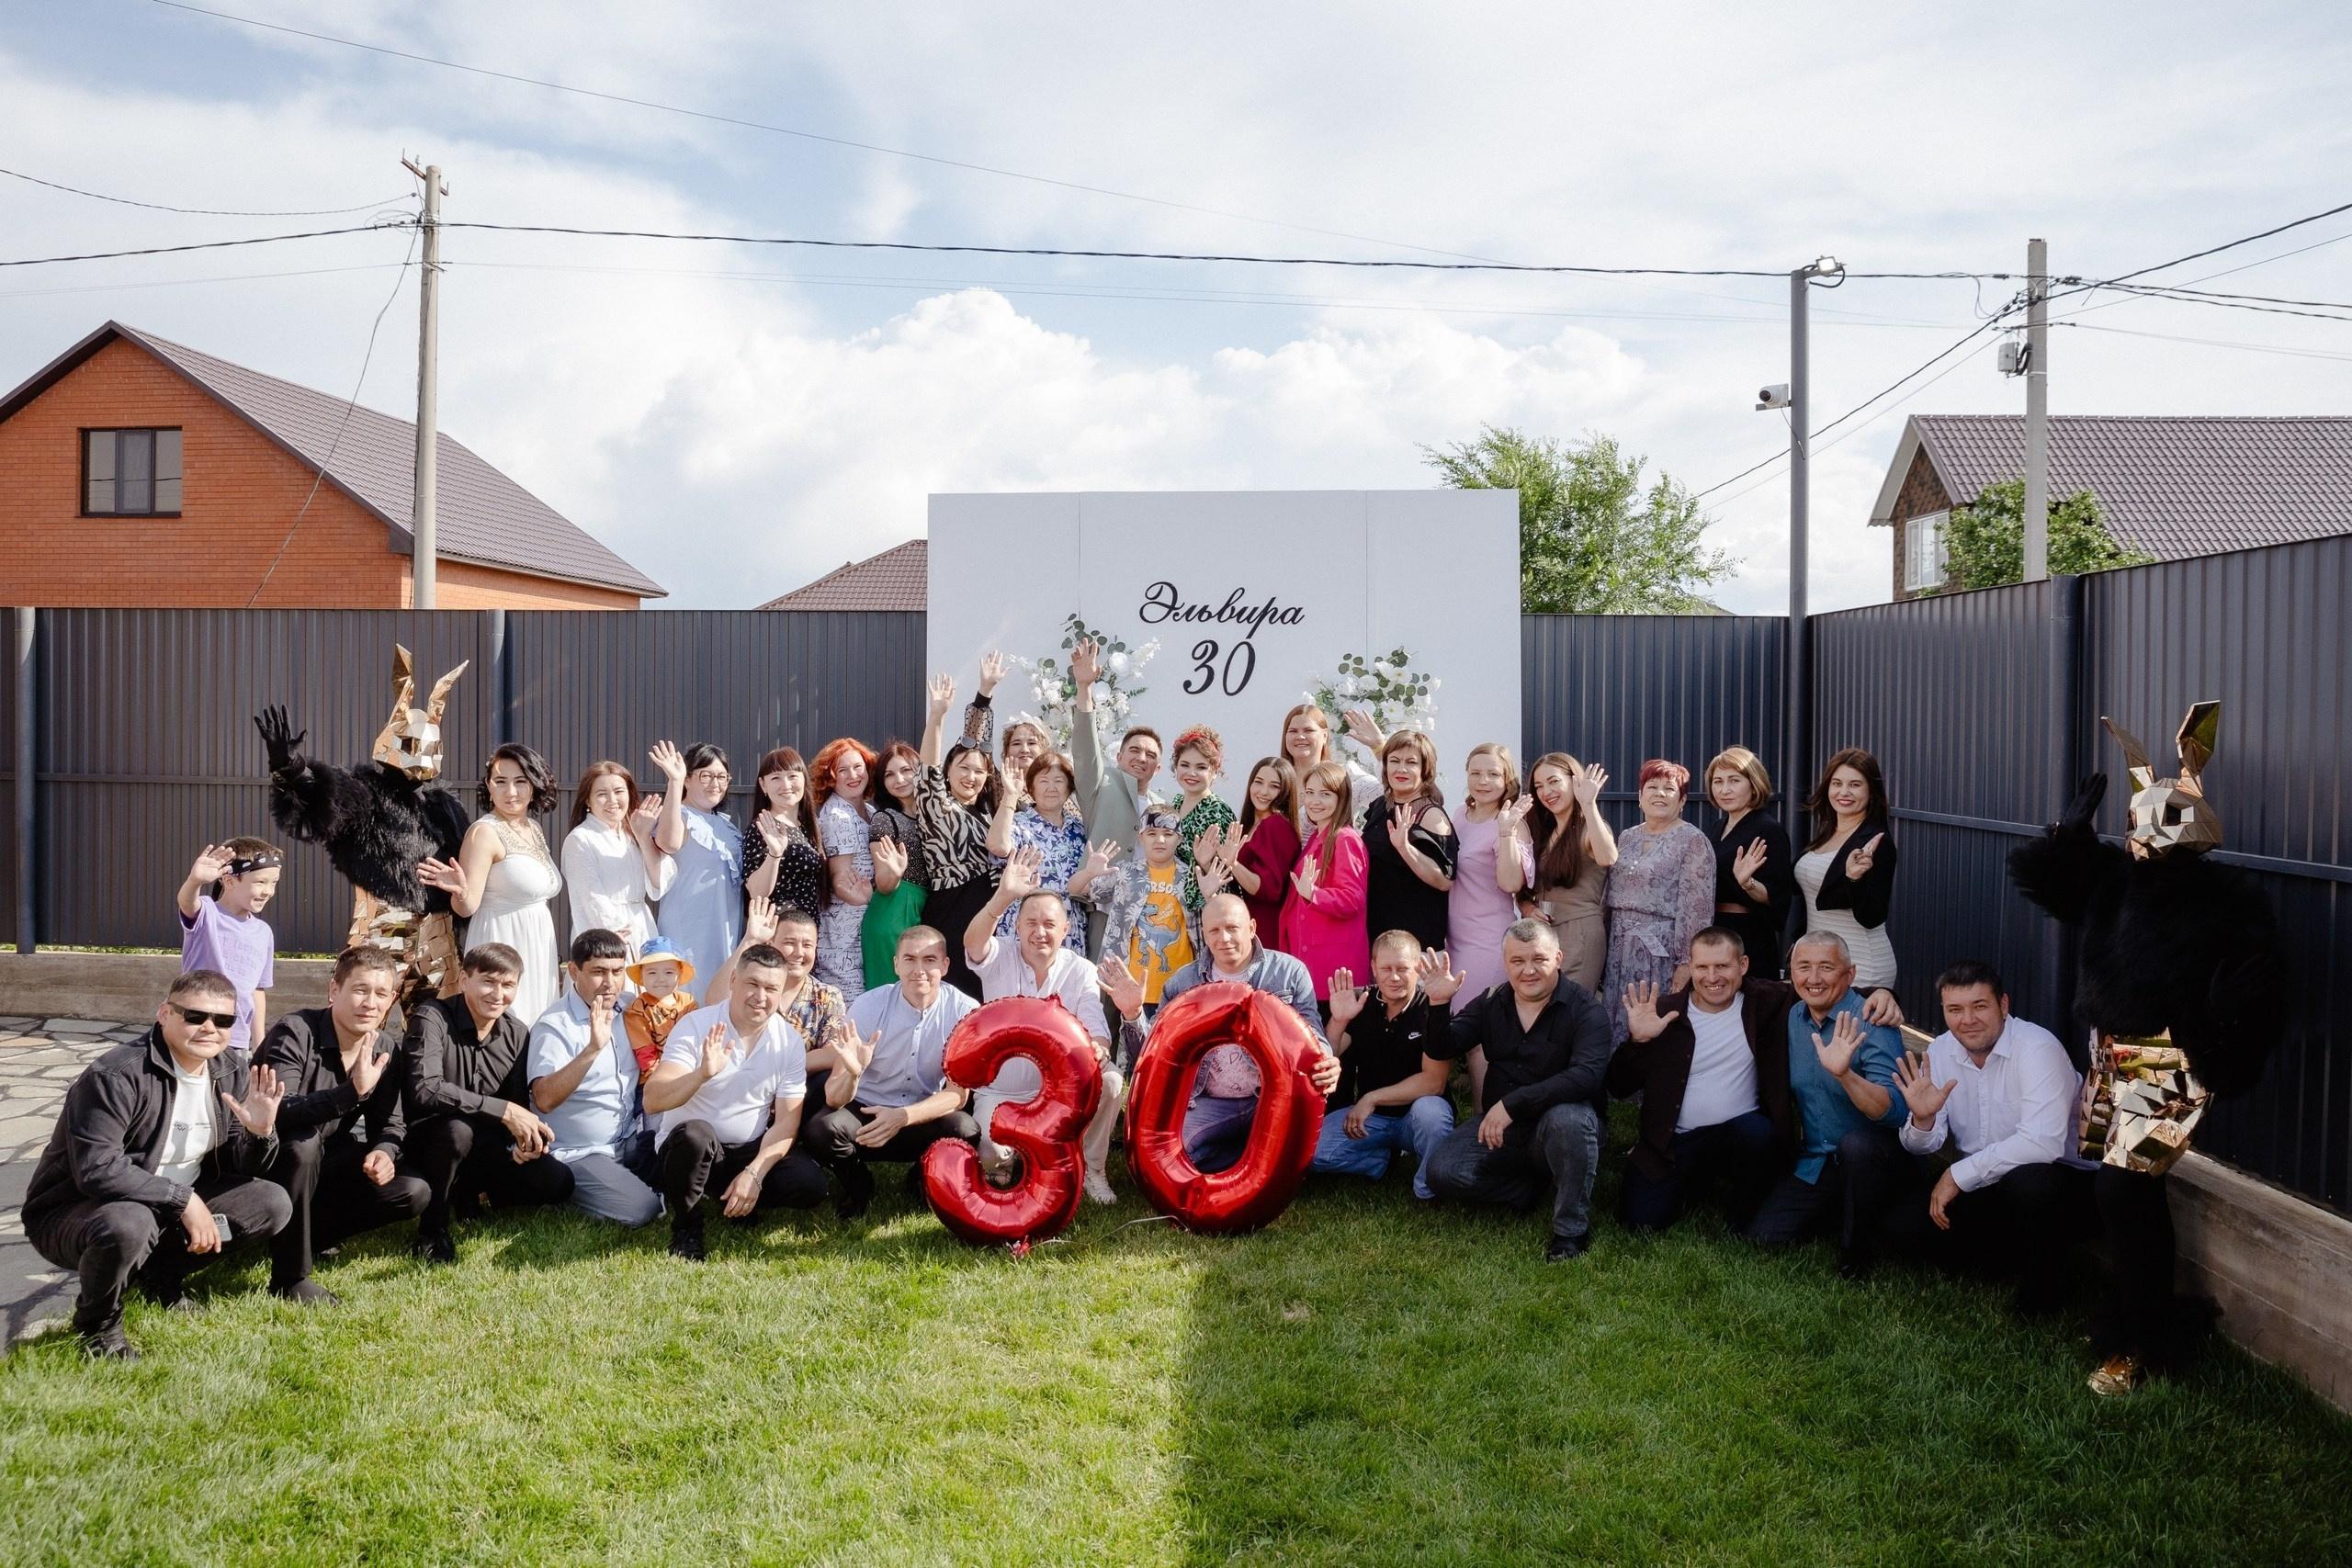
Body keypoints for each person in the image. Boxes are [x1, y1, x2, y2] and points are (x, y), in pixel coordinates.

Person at [22, 969, 291, 1359]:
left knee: (271, 1203)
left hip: (166, 1207)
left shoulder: (229, 1070)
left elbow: (239, 1162)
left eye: (224, 1020)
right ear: (164, 1013)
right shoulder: (116, 1075)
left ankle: (160, 1278)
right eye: (195, 1016)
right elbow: (97, 1168)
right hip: (73, 1211)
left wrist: (261, 1133)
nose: (210, 1028)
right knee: (131, 1223)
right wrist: (182, 1199)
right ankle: (98, 1324)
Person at [1891, 960, 2104, 1320]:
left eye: (1980, 1006)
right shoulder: (1942, 1050)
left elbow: (2043, 1145)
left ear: (2003, 1006)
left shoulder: (2037, 1047)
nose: (1967, 1020)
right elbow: (1924, 1144)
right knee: (1902, 1227)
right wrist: (1923, 1120)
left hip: (2068, 1184)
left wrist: (1955, 1176)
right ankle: (2000, 1256)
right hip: (1990, 1183)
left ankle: (2040, 1297)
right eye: (1955, 1009)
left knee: (2030, 1183)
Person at [1422, 920, 1612, 1261]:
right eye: (1517, 961)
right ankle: (1530, 1185)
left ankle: (1571, 1232)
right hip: (1504, 1132)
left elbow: (1585, 1078)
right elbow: (1443, 1047)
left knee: (1569, 1119)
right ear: (1505, 962)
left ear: (1558, 958)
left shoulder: (1587, 1011)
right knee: (1443, 1172)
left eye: (1538, 959)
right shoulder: (1492, 1002)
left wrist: (1511, 1104)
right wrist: (1438, 1004)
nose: (1528, 971)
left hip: (1558, 1125)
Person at [254, 945, 430, 1302]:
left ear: (392, 999)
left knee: (413, 1192)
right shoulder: (295, 1031)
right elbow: (280, 1112)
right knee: (303, 1145)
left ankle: (310, 1234)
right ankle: (289, 1278)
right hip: (266, 1159)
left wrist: (383, 1151)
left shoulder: (384, 1048)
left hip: (326, 1158)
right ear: (334, 990)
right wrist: (352, 1092)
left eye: (381, 993)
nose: (370, 1002)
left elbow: (392, 1123)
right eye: (360, 990)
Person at [1125, 892, 1340, 1174]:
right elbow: (1150, 1058)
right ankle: (1241, 1153)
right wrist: (1132, 1014)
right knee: (1171, 1159)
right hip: (1210, 1101)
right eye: (1214, 930)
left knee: (1309, 1157)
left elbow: (1312, 1033)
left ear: (1251, 927)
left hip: (1271, 1098)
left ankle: (1246, 1154)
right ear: (1204, 934)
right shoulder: (1182, 983)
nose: (1223, 939)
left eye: (1232, 928)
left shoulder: (1288, 972)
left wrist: (1325, 1059)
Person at [644, 942, 831, 1258]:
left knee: (810, 1184)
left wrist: (755, 1173)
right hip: (691, 1150)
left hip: (746, 1150)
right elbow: (652, 1100)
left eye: (771, 988)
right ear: (733, 981)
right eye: (752, 984)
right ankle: (688, 1227)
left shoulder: (788, 1041)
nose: (760, 997)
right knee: (695, 1136)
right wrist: (700, 1074)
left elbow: (787, 1121)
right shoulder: (696, 1026)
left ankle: (738, 1198)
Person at [962, 851, 1125, 1203]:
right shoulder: (999, 956)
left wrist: (1098, 1046)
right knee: (992, 1157)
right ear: (1017, 926)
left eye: (1050, 925)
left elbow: (1095, 1023)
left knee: (1111, 1079)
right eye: (1031, 923)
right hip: (1003, 1093)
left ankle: (1092, 1169)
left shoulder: (1080, 968)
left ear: (1065, 930)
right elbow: (973, 944)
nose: (1040, 932)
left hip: (1058, 1094)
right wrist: (1003, 896)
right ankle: (1013, 1162)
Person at [1609, 927, 1796, 1234]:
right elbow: (1618, 1087)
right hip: (1676, 1141)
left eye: (1722, 966)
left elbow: (1823, 987)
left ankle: (1741, 1211)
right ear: (1690, 968)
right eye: (1702, 967)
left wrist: (1883, 994)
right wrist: (1638, 1043)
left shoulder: (1766, 1000)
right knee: (1639, 1222)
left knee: (1758, 1134)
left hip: (1738, 1135)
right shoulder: (1664, 1012)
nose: (1712, 977)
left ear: (1743, 965)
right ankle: (1693, 1183)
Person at [399, 942, 576, 1264]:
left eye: (508, 985)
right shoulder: (433, 1016)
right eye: (488, 982)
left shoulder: (517, 1033)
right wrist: (502, 1110)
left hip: (485, 1148)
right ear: (465, 980)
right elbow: (424, 1090)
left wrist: (522, 1143)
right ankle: (433, 1227)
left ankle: (469, 1194)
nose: (498, 994)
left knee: (557, 1181)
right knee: (458, 1130)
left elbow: (518, 1106)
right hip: (429, 1144)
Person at [1744, 931, 1909, 1274]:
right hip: (1819, 1160)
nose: (1814, 979)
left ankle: (1855, 1256)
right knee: (1764, 1235)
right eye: (1803, 967)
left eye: (1826, 967)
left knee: (1857, 1144)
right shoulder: (1793, 1017)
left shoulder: (1873, 1020)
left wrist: (1845, 1075)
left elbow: (1895, 1111)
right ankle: (1846, 1208)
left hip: (1877, 1158)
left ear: (1850, 975)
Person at [806, 926, 981, 1219]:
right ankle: (860, 1184)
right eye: (910, 959)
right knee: (821, 1130)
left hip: (921, 1114)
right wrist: (853, 1071)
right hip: (866, 1111)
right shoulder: (868, 1006)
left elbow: (958, 1095)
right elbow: (834, 1097)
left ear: (945, 966)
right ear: (896, 964)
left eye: (929, 960)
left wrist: (902, 1117)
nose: (919, 970)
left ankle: (920, 1178)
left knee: (964, 1129)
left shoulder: (965, 1011)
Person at [417, 742, 564, 1028]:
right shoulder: (484, 832)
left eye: (520, 781)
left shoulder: (532, 827)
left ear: (535, 784)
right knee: (506, 1023)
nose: (511, 792)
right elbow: (467, 906)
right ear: (489, 785)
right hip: (502, 937)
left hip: (538, 941)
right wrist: (460, 892)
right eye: (501, 782)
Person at [527, 928, 663, 1228]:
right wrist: (592, 1049)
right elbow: (544, 1099)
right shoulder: (554, 1026)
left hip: (629, 1137)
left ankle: (625, 1182)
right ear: (573, 971)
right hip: (580, 1151)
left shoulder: (630, 1007)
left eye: (617, 971)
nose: (610, 983)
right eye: (598, 972)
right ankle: (569, 1194)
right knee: (643, 1209)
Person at [1309, 933, 1462, 1200]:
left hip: (1415, 1116)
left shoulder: (1432, 1004)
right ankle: (1379, 1161)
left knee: (1432, 1113)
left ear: (1417, 967)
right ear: (1373, 968)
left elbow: (1434, 1082)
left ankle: (1428, 1188)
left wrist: (1372, 1098)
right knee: (1314, 1154)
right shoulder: (1361, 1002)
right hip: (1371, 1120)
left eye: (1402, 969)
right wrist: (1339, 1020)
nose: (1394, 977)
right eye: (1386, 969)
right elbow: (1326, 1057)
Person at [1600, 760, 1716, 1045]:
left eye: (1669, 788)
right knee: (1614, 1022)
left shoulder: (1692, 840)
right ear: (1640, 797)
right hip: (1618, 948)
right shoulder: (1627, 837)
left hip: (1660, 953)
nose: (1659, 794)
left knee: (1652, 1025)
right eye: (1652, 787)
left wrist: (1686, 965)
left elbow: (1697, 909)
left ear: (1683, 800)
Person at [1068, 637, 1163, 953]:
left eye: (1150, 754)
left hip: (1152, 915)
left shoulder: (1162, 808)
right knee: (1101, 997)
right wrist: (1084, 688)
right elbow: (1084, 749)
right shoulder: (1102, 783)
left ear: (1158, 768)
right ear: (1119, 758)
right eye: (1134, 750)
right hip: (1106, 910)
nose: (1141, 757)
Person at [916, 673, 1004, 998]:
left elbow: (976, 745)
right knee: (952, 999)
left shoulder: (989, 812)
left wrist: (986, 693)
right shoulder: (937, 806)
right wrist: (937, 715)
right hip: (950, 912)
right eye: (963, 768)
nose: (971, 776)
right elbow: (927, 768)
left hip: (990, 916)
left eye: (979, 771)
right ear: (948, 770)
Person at [1502, 752, 1616, 992]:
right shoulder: (1544, 832)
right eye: (1539, 786)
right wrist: (1529, 908)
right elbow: (1523, 889)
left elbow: (1608, 857)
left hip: (1580, 935)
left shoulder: (1589, 827)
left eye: (1554, 781)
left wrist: (1588, 803)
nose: (1547, 792)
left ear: (1574, 780)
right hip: (1544, 937)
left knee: (1570, 1011)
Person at [1794, 747, 1898, 992]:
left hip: (1860, 963)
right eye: (1837, 783)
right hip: (1823, 962)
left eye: (1855, 785)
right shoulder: (1827, 832)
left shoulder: (1876, 842)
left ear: (1871, 793)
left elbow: (1872, 916)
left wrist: (1854, 879)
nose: (1844, 792)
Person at [1074, 807, 1197, 1011]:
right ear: (1141, 838)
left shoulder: (1191, 877)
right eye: (1152, 833)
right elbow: (1075, 888)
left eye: (1168, 834)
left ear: (1180, 839)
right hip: (1129, 985)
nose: (1160, 840)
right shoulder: (1126, 872)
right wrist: (1088, 872)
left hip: (1180, 985)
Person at [650, 739, 744, 988]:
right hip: (691, 928)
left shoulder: (728, 826)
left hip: (725, 926)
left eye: (722, 777)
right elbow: (669, 843)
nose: (715, 784)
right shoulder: (679, 813)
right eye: (706, 776)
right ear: (688, 779)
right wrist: (674, 781)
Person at [175, 838, 282, 1055]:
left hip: (236, 1038)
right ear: (229, 881)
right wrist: (194, 881)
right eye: (260, 882)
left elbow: (257, 990)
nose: (268, 891)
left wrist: (259, 1042)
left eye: (274, 883)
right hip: (194, 1029)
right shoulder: (207, 913)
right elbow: (187, 903)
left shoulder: (264, 932)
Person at [560, 761, 675, 959]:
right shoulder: (580, 839)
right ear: (587, 800)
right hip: (608, 934)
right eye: (602, 794)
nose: (612, 800)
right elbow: (590, 896)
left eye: (619, 791)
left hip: (642, 925)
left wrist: (644, 838)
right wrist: (614, 933)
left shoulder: (632, 833)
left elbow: (658, 885)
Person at [1277, 761, 1370, 1006]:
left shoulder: (1344, 838)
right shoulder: (1319, 836)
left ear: (1341, 798)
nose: (1315, 801)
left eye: (1325, 794)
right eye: (1309, 793)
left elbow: (1353, 899)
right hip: (1313, 966)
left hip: (1333, 970)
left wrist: (1314, 895)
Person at [1448, 743, 1532, 1002]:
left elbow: (1511, 883)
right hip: (1452, 938)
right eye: (1475, 773)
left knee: (1471, 1025)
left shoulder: (1513, 824)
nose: (1483, 781)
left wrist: (1505, 832)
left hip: (1486, 941)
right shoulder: (1461, 813)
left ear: (1507, 779)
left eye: (1493, 774)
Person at [1361, 729, 1456, 954]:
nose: (1401, 769)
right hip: (1378, 936)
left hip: (1416, 945)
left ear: (1425, 770)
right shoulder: (1380, 806)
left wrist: (1404, 848)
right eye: (1394, 761)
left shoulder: (1432, 815)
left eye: (1411, 762)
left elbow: (1444, 880)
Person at [986, 751, 1091, 952]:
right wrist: (1010, 795)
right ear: (1032, 787)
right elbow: (998, 846)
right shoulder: (1019, 823)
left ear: (1069, 788)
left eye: (1059, 781)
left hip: (1068, 928)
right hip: (1027, 925)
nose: (1051, 788)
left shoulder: (1080, 829)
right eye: (1043, 781)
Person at [1705, 747, 1794, 979]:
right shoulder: (1717, 828)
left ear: (1754, 784)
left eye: (1734, 780)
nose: (1724, 790)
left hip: (1748, 937)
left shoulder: (1768, 829)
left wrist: (1748, 883)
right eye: (1718, 781)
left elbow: (1779, 894)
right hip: (1715, 931)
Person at [810, 738, 880, 998]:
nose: (853, 775)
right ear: (830, 778)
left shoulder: (869, 812)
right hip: (843, 939)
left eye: (858, 767)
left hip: (864, 929)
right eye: (842, 770)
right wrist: (867, 899)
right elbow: (839, 879)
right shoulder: (838, 816)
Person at [863, 741, 932, 990]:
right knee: (892, 995)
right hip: (894, 910)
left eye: (906, 771)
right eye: (889, 774)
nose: (899, 779)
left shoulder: (934, 816)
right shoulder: (885, 820)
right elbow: (883, 884)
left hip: (926, 907)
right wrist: (895, 871)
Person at [1211, 756, 1300, 943]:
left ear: (1285, 792)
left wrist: (1233, 863)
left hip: (1265, 930)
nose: (1263, 791)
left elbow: (1270, 890)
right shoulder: (1250, 825)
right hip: (1242, 925)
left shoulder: (1276, 824)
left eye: (1274, 786)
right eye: (1258, 782)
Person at [743, 746, 827, 922]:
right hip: (778, 931)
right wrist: (775, 854)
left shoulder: (807, 827)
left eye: (792, 776)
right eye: (776, 778)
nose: (786, 785)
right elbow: (757, 892)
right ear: (763, 785)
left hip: (806, 930)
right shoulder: (762, 828)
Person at [1167, 725, 1238, 903]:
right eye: (1185, 765)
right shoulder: (1175, 803)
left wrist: (1203, 863)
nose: (1192, 773)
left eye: (1201, 767)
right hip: (1167, 900)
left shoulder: (1218, 811)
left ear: (1214, 771)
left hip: (1203, 906)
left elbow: (1223, 873)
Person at [958, 649, 1051, 783]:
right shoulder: (996, 785)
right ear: (1006, 751)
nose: (1024, 750)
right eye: (1016, 743)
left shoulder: (1054, 789)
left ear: (1043, 750)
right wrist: (986, 689)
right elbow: (973, 744)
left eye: (1031, 743)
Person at [1278, 701, 1382, 818]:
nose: (1300, 736)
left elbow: (1390, 796)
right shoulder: (1275, 779)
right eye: (1293, 731)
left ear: (1325, 736)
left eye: (1308, 730)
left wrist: (1379, 747)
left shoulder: (1346, 775)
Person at [621, 938, 698, 1077]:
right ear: (641, 975)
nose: (660, 979)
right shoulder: (637, 1010)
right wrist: (662, 1082)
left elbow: (697, 1038)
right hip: (652, 1079)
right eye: (652, 973)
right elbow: (645, 1054)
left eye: (669, 972)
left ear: (679, 974)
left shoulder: (688, 1003)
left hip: (686, 1072)